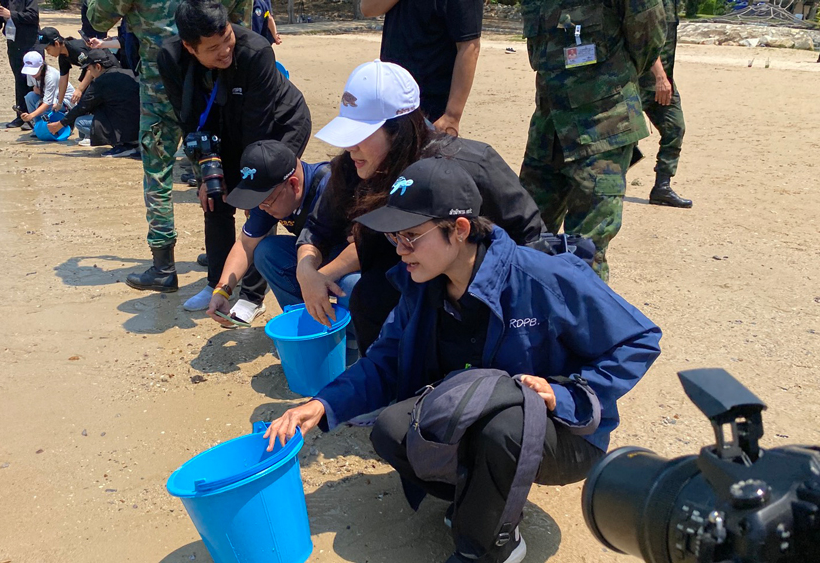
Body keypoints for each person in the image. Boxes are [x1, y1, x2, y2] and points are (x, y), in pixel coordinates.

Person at [264, 157, 662, 563]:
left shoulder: (542, 277)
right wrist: (322, 404)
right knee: (392, 430)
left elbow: (640, 339)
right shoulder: (420, 284)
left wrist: (568, 394)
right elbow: (384, 362)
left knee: (504, 421)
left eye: (412, 237)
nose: (401, 249)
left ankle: (490, 546)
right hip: (476, 412)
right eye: (396, 237)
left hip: (562, 435)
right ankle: (485, 501)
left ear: (460, 229)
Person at [303, 60, 544, 354]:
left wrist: (511, 310)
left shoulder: (470, 164)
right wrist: (308, 271)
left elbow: (531, 235)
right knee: (366, 296)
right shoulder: (354, 168)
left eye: (359, 136)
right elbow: (318, 227)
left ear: (398, 130)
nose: (350, 148)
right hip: (391, 298)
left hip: (466, 302)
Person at [86, 0, 251, 294]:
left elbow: (97, 19)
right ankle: (224, 254)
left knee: (158, 173)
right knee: (212, 164)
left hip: (158, 87)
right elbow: (239, 24)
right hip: (210, 82)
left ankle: (163, 267)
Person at [157, 0, 312, 314]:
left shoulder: (255, 51)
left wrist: (248, 187)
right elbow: (189, 121)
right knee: (214, 197)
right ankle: (217, 281)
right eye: (213, 48)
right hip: (222, 126)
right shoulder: (170, 58)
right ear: (190, 46)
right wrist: (207, 174)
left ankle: (252, 296)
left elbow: (257, 129)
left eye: (227, 38)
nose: (225, 50)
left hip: (277, 125)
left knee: (262, 201)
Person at [517, 0, 666, 281]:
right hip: (548, 130)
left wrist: (608, 83)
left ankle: (584, 323)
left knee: (584, 252)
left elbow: (648, 39)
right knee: (525, 237)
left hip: (602, 127)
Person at [205, 140, 355, 326]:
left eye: (266, 201)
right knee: (267, 252)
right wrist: (222, 290)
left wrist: (316, 278)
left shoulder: (334, 185)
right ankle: (308, 324)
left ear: (293, 184)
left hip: (351, 264)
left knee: (353, 284)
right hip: (311, 259)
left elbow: (366, 246)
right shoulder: (270, 195)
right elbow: (246, 245)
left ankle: (350, 339)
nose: (261, 207)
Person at [360, 0, 484, 134]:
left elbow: (470, 48)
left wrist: (452, 117)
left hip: (429, 106)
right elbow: (368, 8)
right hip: (390, 97)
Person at [639, 0, 693, 209]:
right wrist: (660, 77)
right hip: (636, 81)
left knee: (675, 128)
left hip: (663, 82)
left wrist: (664, 79)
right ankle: (591, 188)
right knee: (618, 140)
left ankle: (662, 187)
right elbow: (643, 38)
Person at [48, 49, 140, 158]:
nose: (90, 73)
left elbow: (82, 107)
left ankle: (124, 146)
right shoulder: (128, 73)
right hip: (140, 124)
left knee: (80, 122)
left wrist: (60, 124)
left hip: (123, 128)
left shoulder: (100, 82)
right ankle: (133, 142)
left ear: (98, 67)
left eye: (90, 69)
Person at [0, 0, 40, 129]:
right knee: (19, 79)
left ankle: (37, 115)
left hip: (31, 42)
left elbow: (33, 16)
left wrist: (11, 14)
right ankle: (21, 116)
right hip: (13, 43)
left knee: (35, 79)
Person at [38, 27, 94, 111]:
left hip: (103, 71)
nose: (48, 53)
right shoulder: (63, 57)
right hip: (92, 72)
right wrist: (59, 103)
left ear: (56, 44)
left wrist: (79, 89)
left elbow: (92, 68)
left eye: (48, 49)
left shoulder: (76, 49)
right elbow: (63, 79)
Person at [19, 51, 75, 127]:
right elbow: (34, 88)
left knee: (43, 105)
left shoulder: (51, 76)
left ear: (41, 66)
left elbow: (48, 102)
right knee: (30, 96)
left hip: (65, 101)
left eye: (34, 70)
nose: (32, 74)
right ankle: (38, 125)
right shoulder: (31, 74)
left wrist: (31, 116)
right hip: (48, 96)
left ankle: (62, 123)